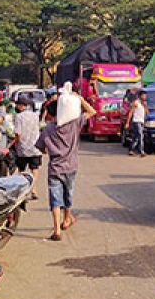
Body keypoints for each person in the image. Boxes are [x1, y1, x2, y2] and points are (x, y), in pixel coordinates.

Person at [36, 95, 95, 241]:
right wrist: (81, 99)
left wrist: (50, 150)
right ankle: (67, 218)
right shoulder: (74, 124)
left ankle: (57, 230)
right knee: (68, 195)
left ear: (50, 114)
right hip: (71, 166)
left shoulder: (48, 129)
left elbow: (41, 148)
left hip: (55, 168)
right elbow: (92, 112)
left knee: (55, 200)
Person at [11, 98, 42, 198]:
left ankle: (23, 191)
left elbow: (18, 134)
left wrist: (12, 144)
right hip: (35, 147)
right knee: (35, 169)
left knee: (21, 170)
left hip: (23, 148)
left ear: (21, 106)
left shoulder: (19, 117)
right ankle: (33, 189)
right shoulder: (36, 116)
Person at [126, 90, 147, 157]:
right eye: (144, 95)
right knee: (141, 135)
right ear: (140, 96)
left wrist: (145, 105)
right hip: (136, 121)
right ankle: (141, 151)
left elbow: (146, 112)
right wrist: (127, 122)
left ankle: (131, 150)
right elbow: (131, 112)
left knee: (136, 138)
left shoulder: (143, 104)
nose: (145, 97)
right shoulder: (136, 103)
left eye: (145, 95)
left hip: (141, 122)